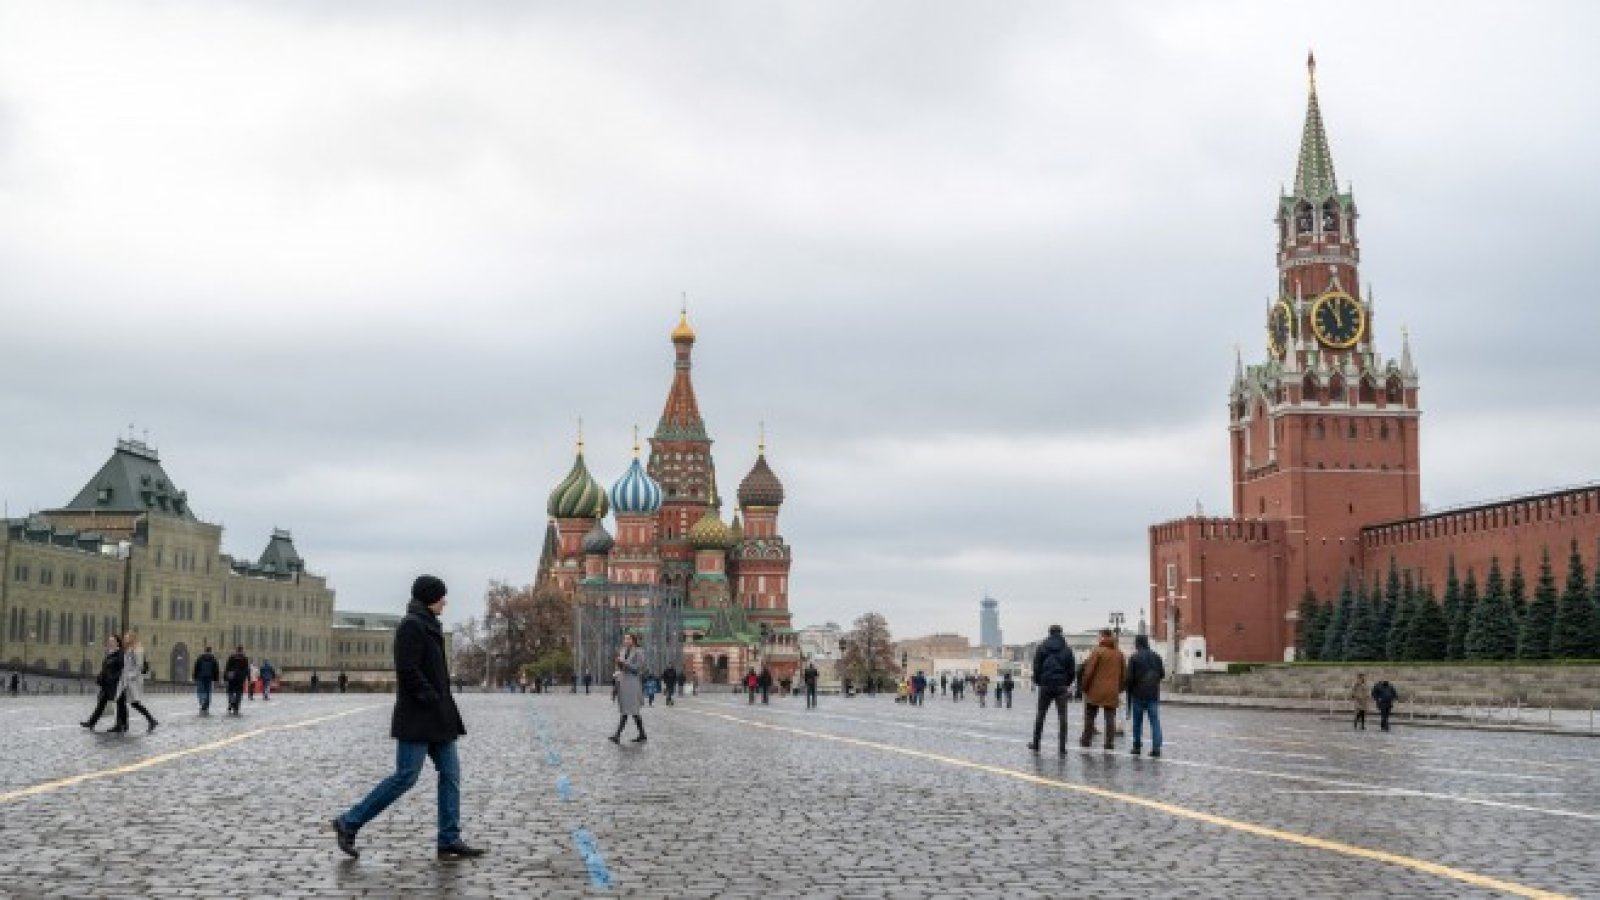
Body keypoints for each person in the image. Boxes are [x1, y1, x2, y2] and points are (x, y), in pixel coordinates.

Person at [330, 574, 483, 861]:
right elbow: (407, 669)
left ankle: (449, 838)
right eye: (441, 596)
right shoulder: (411, 625)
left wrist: (439, 702)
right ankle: (349, 822)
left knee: (451, 774)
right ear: (429, 597)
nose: (445, 602)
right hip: (418, 716)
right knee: (406, 777)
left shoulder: (429, 624)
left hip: (439, 718)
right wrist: (430, 696)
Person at [1029, 626, 1076, 754]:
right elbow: (1072, 670)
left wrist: (1039, 681)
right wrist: (1066, 682)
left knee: (1041, 714)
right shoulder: (1067, 649)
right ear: (1061, 633)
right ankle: (1062, 747)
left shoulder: (1042, 648)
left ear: (1049, 633)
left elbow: (1036, 667)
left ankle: (1036, 743)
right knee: (1063, 717)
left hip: (1045, 685)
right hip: (1061, 685)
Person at [1079, 629, 1126, 750]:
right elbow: (1123, 675)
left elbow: (1089, 671)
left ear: (1103, 637)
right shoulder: (1119, 654)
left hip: (1095, 690)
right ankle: (1109, 743)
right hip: (1112, 690)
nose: (1097, 638)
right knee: (1110, 717)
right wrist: (1119, 689)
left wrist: (1084, 686)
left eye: (1099, 636)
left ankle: (1086, 740)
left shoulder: (1097, 651)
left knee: (1090, 716)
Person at [1125, 634, 1166, 757]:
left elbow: (1129, 678)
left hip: (1138, 694)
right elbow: (1162, 674)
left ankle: (1137, 746)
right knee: (1155, 721)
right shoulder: (1157, 657)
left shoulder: (1134, 658)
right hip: (1153, 694)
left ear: (1137, 643)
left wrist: (1129, 688)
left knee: (1137, 722)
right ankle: (1156, 747)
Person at [81, 635, 128, 732]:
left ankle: (121, 725)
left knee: (120, 704)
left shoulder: (120, 654)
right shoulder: (109, 653)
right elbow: (105, 668)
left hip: (117, 683)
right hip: (107, 684)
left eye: (112, 641)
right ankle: (91, 723)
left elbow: (123, 668)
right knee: (102, 703)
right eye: (109, 641)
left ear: (117, 642)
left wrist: (115, 678)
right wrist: (100, 676)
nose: (110, 642)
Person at [609, 633, 647, 744]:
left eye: (628, 638)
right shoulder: (622, 651)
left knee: (629, 710)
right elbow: (620, 668)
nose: (626, 640)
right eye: (625, 638)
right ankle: (642, 734)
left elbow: (638, 668)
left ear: (633, 640)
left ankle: (617, 735)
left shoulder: (639, 652)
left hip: (632, 684)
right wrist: (618, 665)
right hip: (623, 682)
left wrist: (624, 663)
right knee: (631, 711)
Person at [193, 646, 221, 714]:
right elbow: (216, 669)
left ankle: (203, 701)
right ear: (210, 651)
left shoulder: (200, 658)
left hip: (201, 677)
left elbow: (196, 667)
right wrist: (216, 678)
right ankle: (206, 703)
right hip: (209, 677)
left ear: (205, 650)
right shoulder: (213, 658)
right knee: (208, 690)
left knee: (201, 690)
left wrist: (195, 677)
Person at [224, 646, 250, 715]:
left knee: (230, 691)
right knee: (239, 692)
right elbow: (246, 669)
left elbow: (227, 667)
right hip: (240, 678)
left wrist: (225, 677)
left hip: (232, 676)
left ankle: (232, 701)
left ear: (236, 650)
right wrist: (247, 677)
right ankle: (236, 706)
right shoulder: (244, 658)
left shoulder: (231, 657)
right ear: (242, 650)